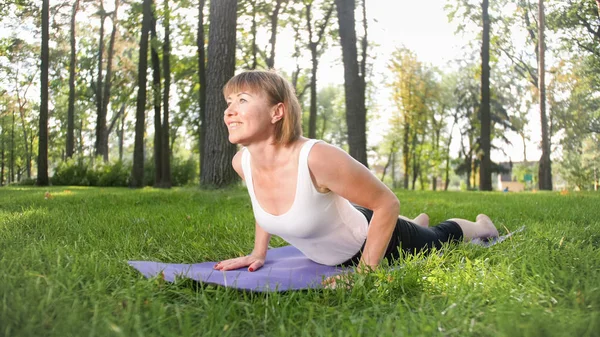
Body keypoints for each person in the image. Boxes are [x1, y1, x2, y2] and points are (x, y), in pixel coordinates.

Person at [213, 70, 499, 277]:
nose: (229, 111)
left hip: (374, 242)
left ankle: (481, 225)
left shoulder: (315, 157)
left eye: (242, 100)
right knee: (389, 219)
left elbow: (387, 203)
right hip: (350, 219)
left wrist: (365, 272)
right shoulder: (243, 163)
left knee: (438, 236)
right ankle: (416, 222)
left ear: (277, 112)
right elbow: (265, 202)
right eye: (229, 102)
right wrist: (258, 253)